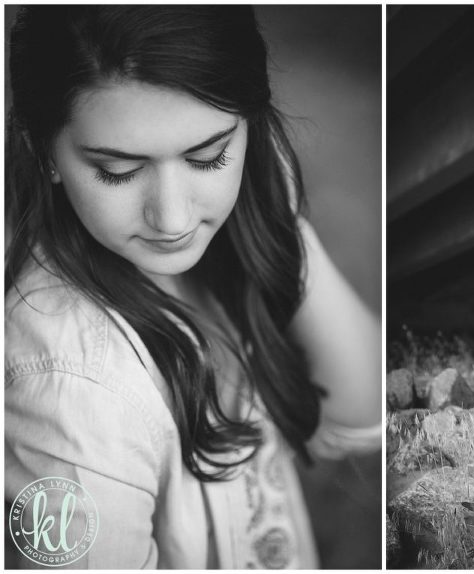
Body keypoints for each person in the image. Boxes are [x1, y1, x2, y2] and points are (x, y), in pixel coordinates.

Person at [5, 6, 381, 569]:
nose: (173, 219)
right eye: (118, 171)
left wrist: (284, 225)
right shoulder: (72, 391)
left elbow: (362, 419)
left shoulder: (216, 253)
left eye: (208, 156)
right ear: (45, 154)